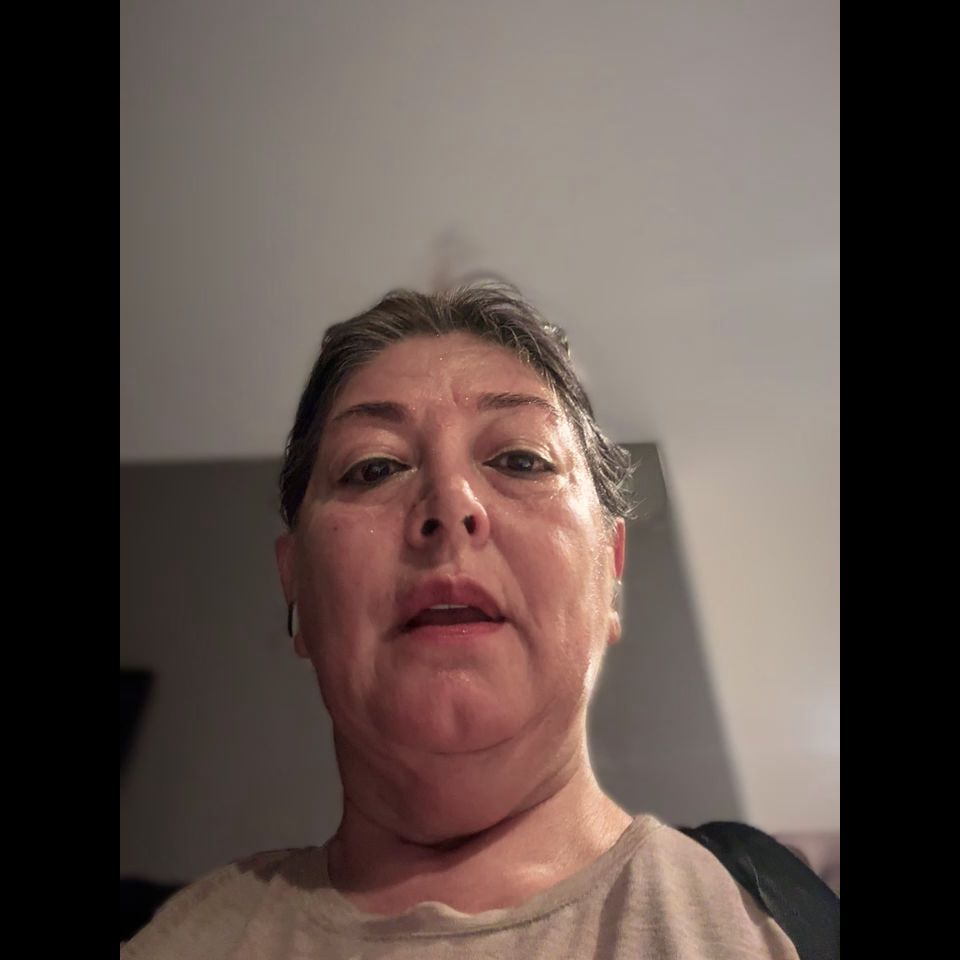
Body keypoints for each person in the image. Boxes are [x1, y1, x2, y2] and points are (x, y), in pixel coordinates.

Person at [122, 282, 805, 959]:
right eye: (374, 467)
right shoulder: (178, 943)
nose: (450, 503)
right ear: (294, 580)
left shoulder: (773, 924)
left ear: (611, 572)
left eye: (521, 460)